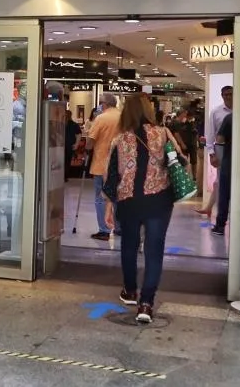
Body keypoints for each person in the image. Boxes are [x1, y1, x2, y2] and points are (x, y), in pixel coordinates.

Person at [102, 94, 184, 324]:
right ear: (149, 110)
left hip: (129, 201)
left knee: (129, 246)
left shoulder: (120, 139)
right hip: (159, 200)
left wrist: (109, 206)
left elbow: (111, 178)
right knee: (154, 250)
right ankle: (146, 303)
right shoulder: (164, 134)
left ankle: (130, 291)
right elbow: (180, 161)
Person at [86, 93, 121, 240]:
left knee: (101, 197)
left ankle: (104, 230)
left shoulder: (101, 118)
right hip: (121, 164)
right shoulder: (123, 117)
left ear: (104, 104)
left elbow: (90, 140)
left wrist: (88, 149)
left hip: (101, 164)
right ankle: (119, 227)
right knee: (118, 196)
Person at [198, 86, 233, 217]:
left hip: (238, 148)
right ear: (222, 96)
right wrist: (212, 154)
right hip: (221, 149)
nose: (228, 97)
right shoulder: (216, 112)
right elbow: (210, 135)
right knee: (221, 179)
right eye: (226, 95)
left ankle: (211, 208)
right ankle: (221, 212)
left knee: (225, 180)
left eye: (230, 94)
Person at [212, 112, 233, 236]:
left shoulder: (230, 118)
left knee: (224, 194)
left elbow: (219, 139)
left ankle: (220, 225)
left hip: (230, 160)